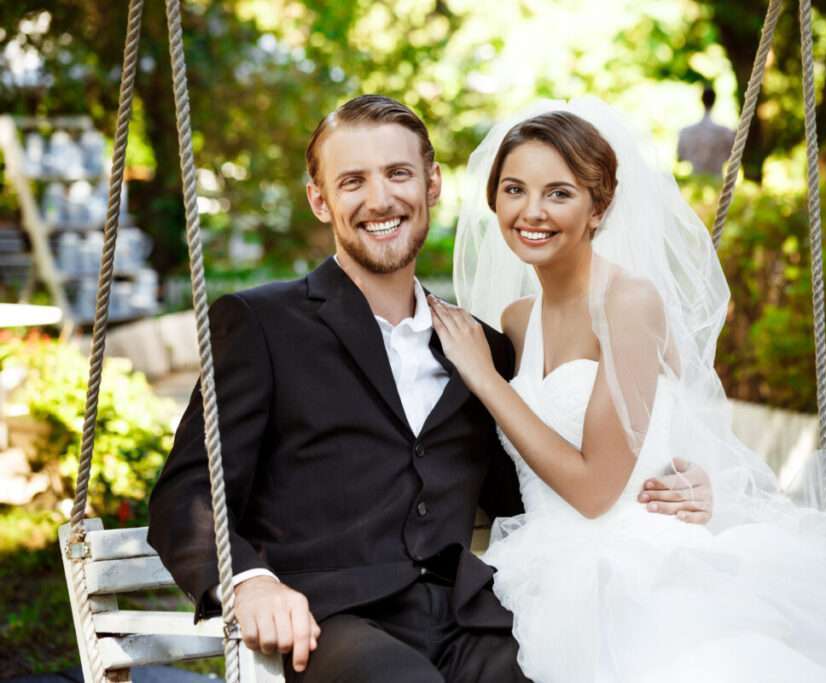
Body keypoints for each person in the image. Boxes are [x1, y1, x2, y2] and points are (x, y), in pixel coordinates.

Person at [147, 94, 712, 683]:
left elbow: (529, 482)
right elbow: (186, 492)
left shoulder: (484, 351)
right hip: (334, 623)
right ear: (320, 199)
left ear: (432, 185)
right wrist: (251, 582)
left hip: (468, 621)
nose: (381, 199)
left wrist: (666, 484)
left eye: (397, 174)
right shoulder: (262, 324)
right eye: (352, 182)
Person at [432, 98, 826, 682]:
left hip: (630, 567)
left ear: (598, 207)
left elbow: (595, 490)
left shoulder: (628, 303)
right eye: (514, 189)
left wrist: (485, 379)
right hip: (537, 560)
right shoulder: (515, 320)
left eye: (558, 193)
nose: (531, 211)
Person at [676, 85, 735, 178]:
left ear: (701, 100)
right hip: (717, 181)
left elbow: (680, 157)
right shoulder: (726, 133)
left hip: (695, 179)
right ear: (715, 101)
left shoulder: (686, 132)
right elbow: (732, 157)